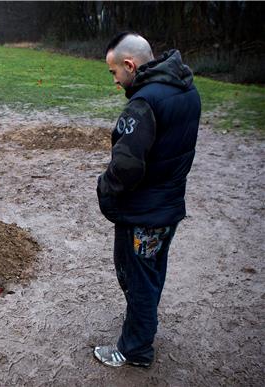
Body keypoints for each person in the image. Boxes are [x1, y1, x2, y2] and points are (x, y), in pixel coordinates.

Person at [94, 32, 201, 367]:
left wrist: (104, 187)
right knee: (152, 272)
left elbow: (125, 167)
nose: (115, 80)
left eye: (114, 72)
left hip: (142, 213)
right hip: (168, 208)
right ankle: (142, 328)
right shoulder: (187, 90)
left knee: (136, 277)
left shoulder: (144, 103)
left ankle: (135, 349)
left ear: (129, 64)